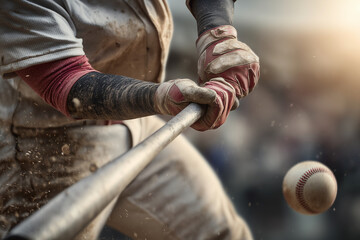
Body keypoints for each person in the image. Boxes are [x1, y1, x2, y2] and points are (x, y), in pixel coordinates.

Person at [0, 0, 260, 239]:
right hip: (47, 142)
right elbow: (65, 82)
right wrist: (158, 97)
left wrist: (217, 33)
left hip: (136, 120)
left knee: (224, 233)